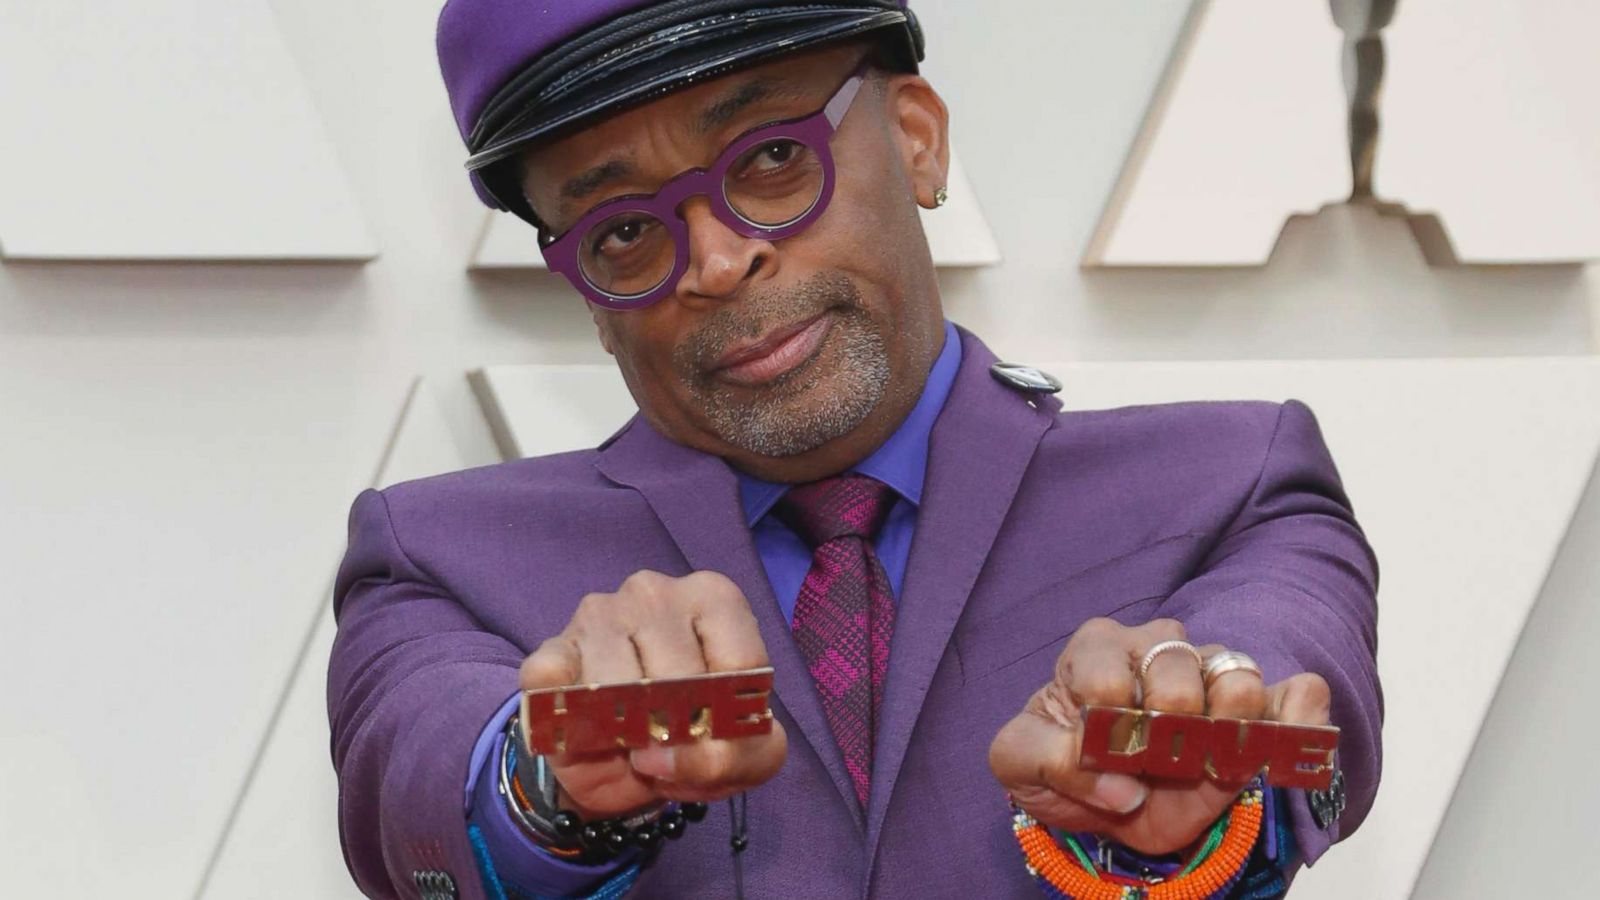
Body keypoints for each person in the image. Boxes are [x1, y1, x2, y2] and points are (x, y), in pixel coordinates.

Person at [327, 1, 1381, 897]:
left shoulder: (1232, 483)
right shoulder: (435, 558)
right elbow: (414, 780)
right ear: (586, 295)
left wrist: (1189, 750)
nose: (719, 259)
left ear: (917, 136)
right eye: (623, 231)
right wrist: (547, 775)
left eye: (774, 159)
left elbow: (1293, 688)